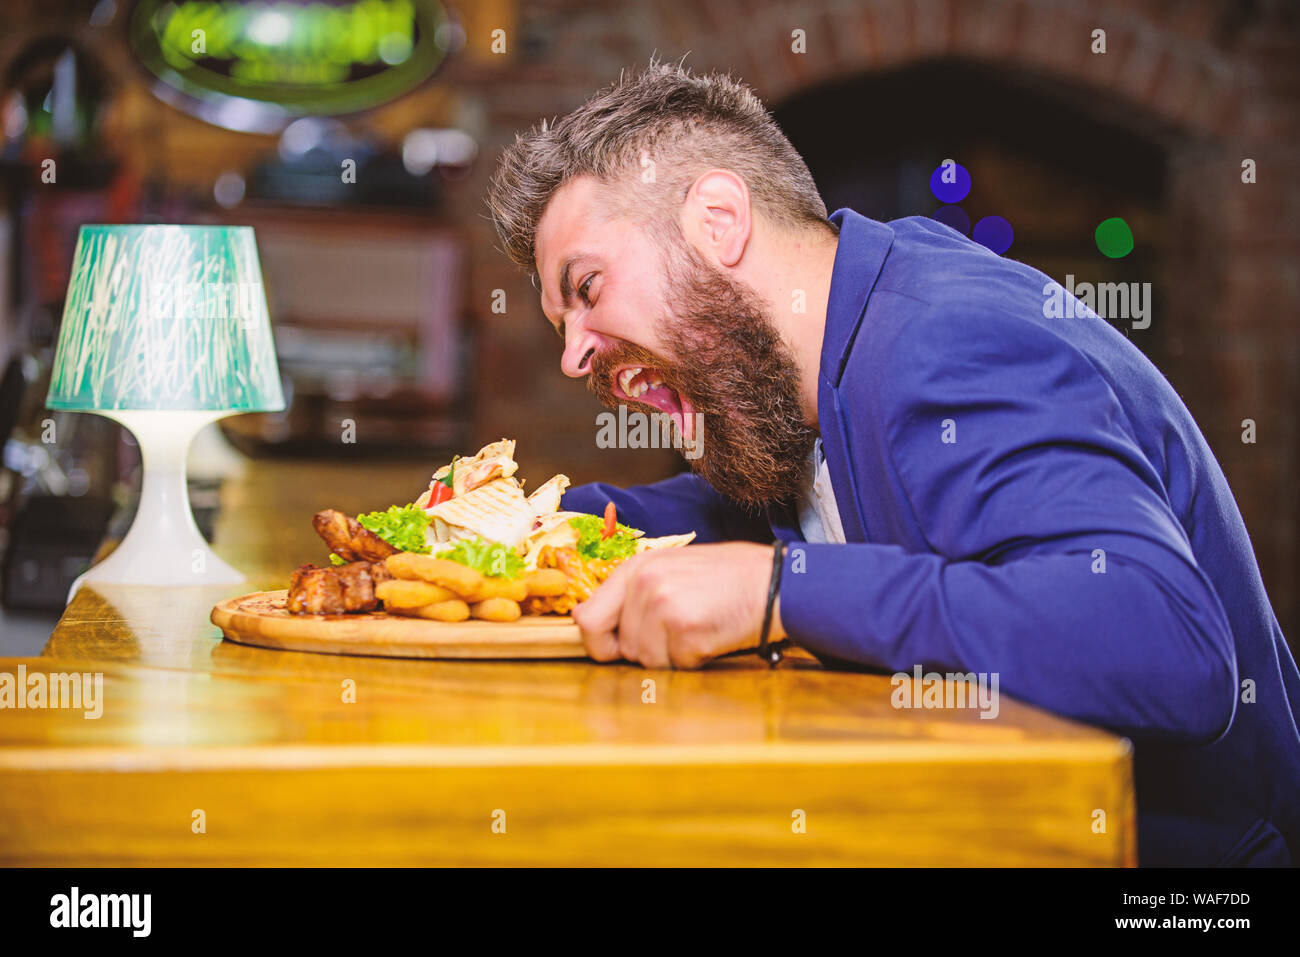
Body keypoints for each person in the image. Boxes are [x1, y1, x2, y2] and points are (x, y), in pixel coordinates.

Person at [485, 61, 1299, 866]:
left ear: (718, 220)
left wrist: (778, 591)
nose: (573, 354)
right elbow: (757, 514)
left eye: (587, 287)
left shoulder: (945, 341)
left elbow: (1170, 643)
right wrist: (517, 528)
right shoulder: (813, 372)